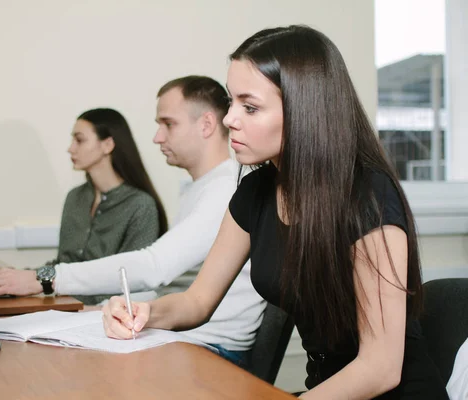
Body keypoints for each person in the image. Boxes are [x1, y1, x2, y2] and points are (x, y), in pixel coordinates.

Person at [101, 26, 449, 399]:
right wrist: (142, 313)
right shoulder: (256, 192)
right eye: (232, 103)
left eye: (249, 107)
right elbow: (197, 302)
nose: (229, 119)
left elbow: (380, 368)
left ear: (305, 111)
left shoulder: (368, 196)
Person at [0, 76, 266, 366]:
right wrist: (95, 309)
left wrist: (47, 278)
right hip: (182, 337)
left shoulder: (226, 188)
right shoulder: (202, 188)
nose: (157, 137)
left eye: (168, 124)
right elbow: (168, 285)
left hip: (211, 348)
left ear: (206, 124)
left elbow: (155, 267)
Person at [0, 108, 167, 299]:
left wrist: (33, 280)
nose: (71, 148)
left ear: (107, 145)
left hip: (104, 315)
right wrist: (11, 279)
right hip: (61, 307)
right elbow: (62, 265)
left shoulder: (141, 206)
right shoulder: (75, 198)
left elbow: (133, 280)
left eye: (80, 140)